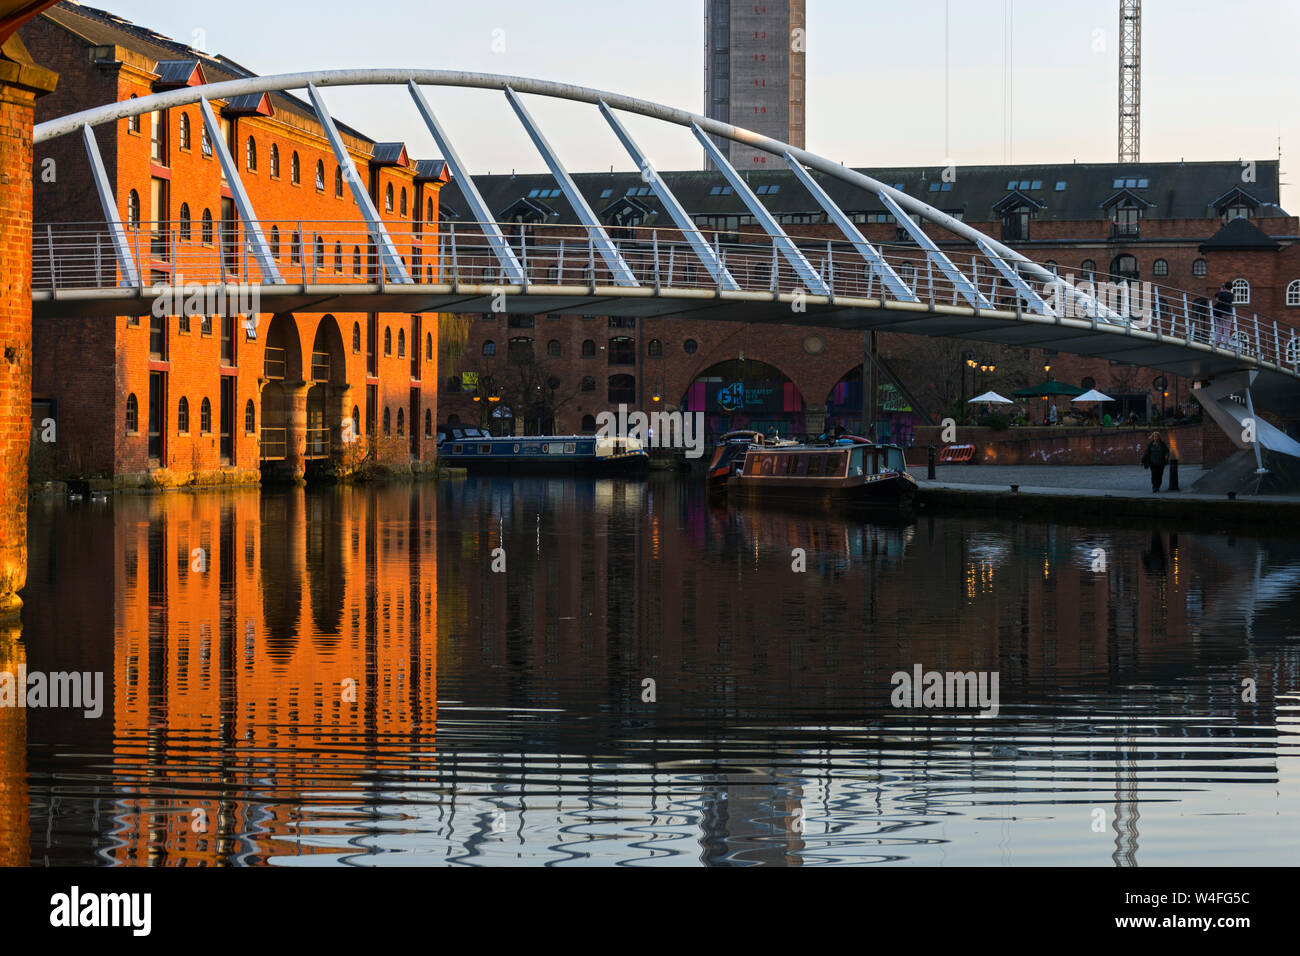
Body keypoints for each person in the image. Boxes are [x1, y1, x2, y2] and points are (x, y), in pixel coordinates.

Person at [1213, 281, 1234, 347]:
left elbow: (1216, 299)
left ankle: (1217, 342)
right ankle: (1225, 344)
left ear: (1224, 287)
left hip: (1220, 313)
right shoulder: (1232, 295)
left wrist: (1221, 291)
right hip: (1228, 313)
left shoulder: (1221, 293)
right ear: (1231, 288)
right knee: (1227, 329)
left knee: (1218, 327)